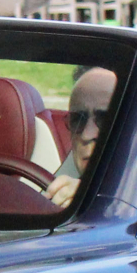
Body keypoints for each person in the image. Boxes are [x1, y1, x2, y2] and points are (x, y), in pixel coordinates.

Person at [47, 67, 116, 210]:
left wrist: (98, 201)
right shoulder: (53, 189)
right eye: (77, 119)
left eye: (106, 120)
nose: (86, 135)